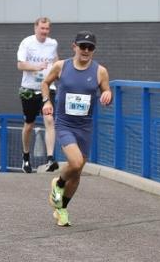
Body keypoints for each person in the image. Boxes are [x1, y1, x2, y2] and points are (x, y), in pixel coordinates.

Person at [42, 31, 111, 227]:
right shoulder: (61, 66)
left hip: (85, 127)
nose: (86, 51)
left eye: (90, 48)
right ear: (74, 47)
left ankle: (62, 208)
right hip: (65, 124)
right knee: (75, 161)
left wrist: (107, 95)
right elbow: (45, 83)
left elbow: (106, 89)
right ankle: (59, 183)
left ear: (94, 50)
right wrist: (47, 101)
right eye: (82, 47)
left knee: (77, 171)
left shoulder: (100, 71)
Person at [17, 17, 59, 173]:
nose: (44, 32)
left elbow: (55, 60)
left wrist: (58, 72)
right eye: (42, 29)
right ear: (35, 28)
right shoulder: (26, 43)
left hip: (47, 87)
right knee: (29, 125)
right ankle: (26, 157)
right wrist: (36, 66)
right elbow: (20, 64)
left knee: (49, 119)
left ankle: (50, 159)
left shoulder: (52, 43)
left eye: (47, 29)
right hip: (28, 89)